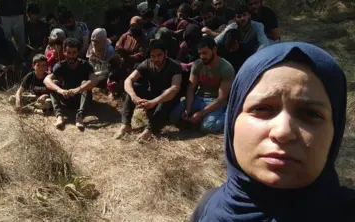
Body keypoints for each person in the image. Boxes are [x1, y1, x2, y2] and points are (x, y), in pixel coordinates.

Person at [190, 42, 355, 222]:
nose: (283, 132)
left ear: (335, 131)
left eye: (310, 114)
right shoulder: (207, 207)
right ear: (232, 121)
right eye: (262, 108)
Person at [115, 39, 182, 142]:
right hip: (152, 97)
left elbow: (175, 89)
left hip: (168, 101)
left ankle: (149, 130)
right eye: (153, 56)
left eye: (159, 55)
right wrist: (134, 97)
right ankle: (126, 125)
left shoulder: (175, 66)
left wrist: (154, 102)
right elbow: (128, 80)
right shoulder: (147, 63)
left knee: (166, 96)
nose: (156, 59)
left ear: (165, 54)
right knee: (134, 87)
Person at [170, 37, 234, 133]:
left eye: (205, 53)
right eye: (200, 53)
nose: (202, 56)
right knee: (174, 117)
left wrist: (201, 113)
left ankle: (228, 116)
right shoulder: (198, 64)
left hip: (216, 102)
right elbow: (191, 88)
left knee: (207, 127)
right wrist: (188, 108)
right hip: (199, 98)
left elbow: (221, 98)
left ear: (214, 50)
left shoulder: (226, 68)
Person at [43, 38, 98, 130]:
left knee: (86, 83)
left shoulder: (85, 65)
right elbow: (46, 80)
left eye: (74, 52)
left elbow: (94, 80)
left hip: (81, 98)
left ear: (78, 53)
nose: (71, 56)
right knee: (54, 84)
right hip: (66, 97)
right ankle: (59, 116)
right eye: (69, 52)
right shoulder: (60, 66)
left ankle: (80, 116)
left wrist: (78, 89)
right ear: (64, 52)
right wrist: (60, 90)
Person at [0, 24, 24, 90]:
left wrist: (11, 66)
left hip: (8, 68)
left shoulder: (8, 43)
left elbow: (18, 58)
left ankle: (6, 84)